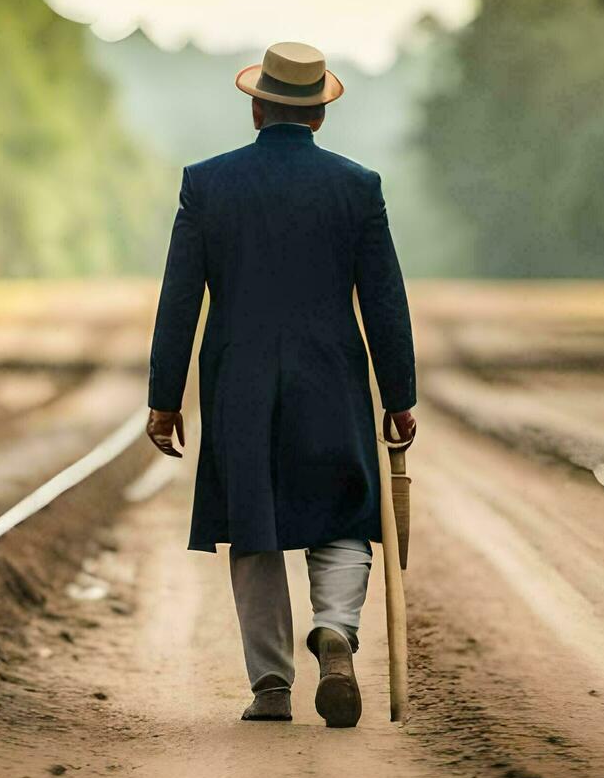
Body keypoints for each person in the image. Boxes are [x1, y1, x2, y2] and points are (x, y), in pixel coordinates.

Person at [145, 41, 417, 728]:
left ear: (257, 106)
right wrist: (399, 397)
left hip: (240, 383)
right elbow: (384, 301)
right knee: (345, 513)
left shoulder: (207, 184)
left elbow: (181, 299)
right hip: (332, 377)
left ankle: (271, 686)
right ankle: (336, 630)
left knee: (254, 525)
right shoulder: (359, 187)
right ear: (319, 116)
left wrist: (164, 398)